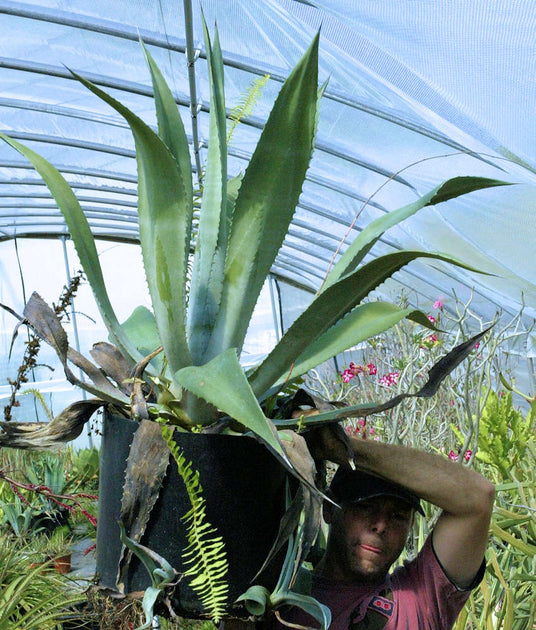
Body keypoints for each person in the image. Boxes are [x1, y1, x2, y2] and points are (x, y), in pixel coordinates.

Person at [266, 436, 495, 630]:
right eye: (365, 507)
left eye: (398, 516)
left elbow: (478, 497)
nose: (381, 525)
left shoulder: (420, 598)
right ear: (328, 509)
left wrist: (336, 445)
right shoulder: (276, 600)